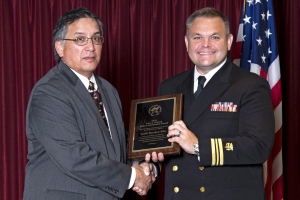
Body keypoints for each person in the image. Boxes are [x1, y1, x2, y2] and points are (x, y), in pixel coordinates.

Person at [23, 7, 157, 200]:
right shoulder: (49, 92)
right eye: (80, 39)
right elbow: (75, 158)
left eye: (96, 38)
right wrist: (133, 177)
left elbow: (120, 144)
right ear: (59, 47)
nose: (91, 47)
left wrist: (144, 164)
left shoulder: (108, 90)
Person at [158, 7, 275, 200]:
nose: (205, 45)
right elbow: (163, 142)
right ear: (187, 42)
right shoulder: (170, 86)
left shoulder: (251, 86)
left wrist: (198, 147)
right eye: (197, 37)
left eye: (214, 37)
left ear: (229, 41)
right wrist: (148, 165)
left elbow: (258, 146)